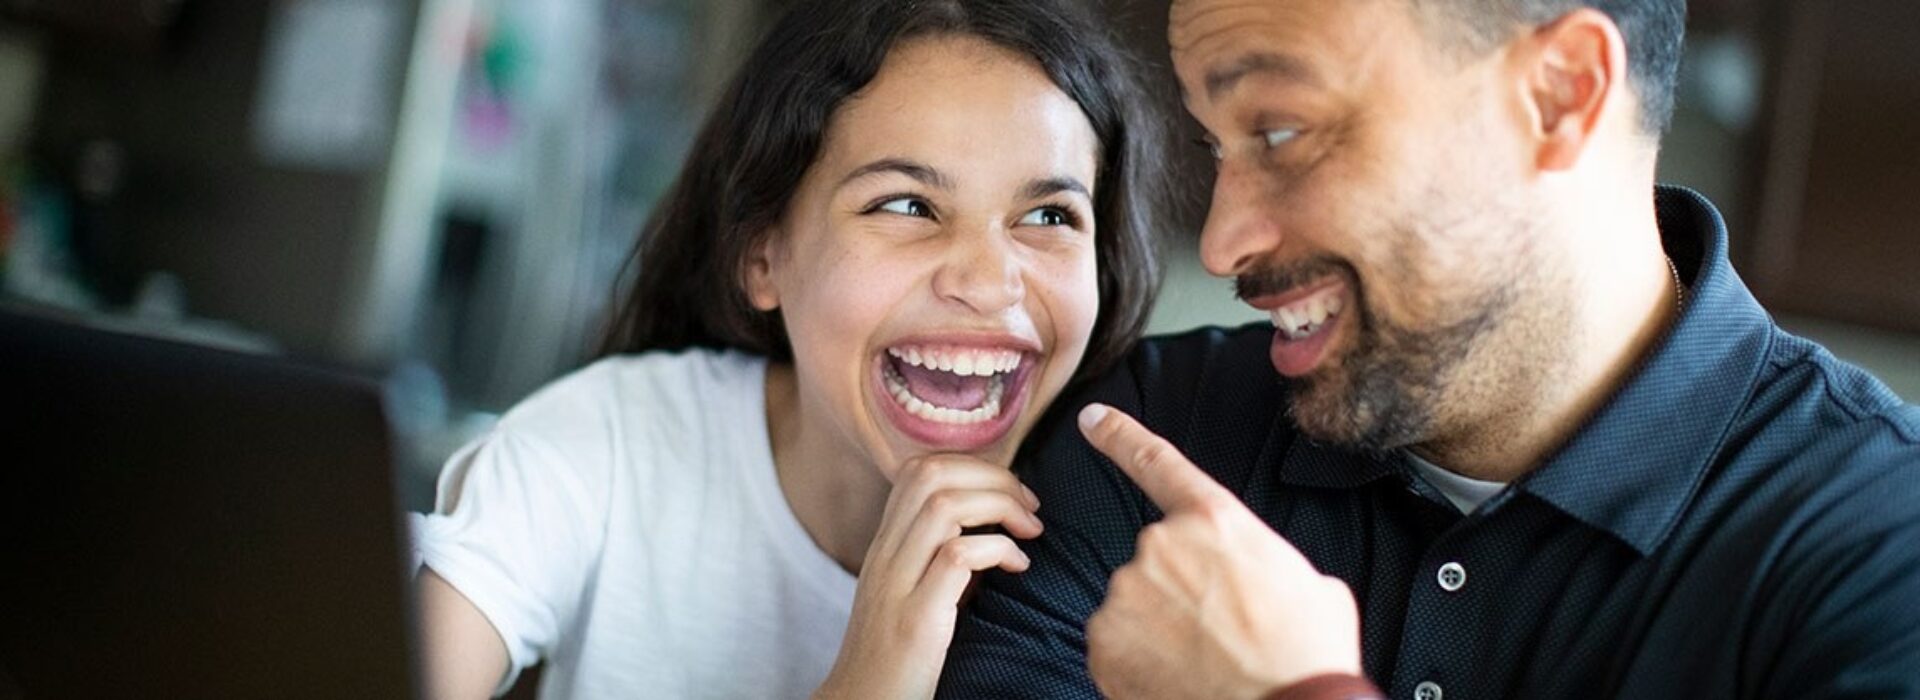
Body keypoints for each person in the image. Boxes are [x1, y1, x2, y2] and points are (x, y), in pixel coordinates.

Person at [937, 0, 1920, 698]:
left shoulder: (1881, 544)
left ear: (1559, 95)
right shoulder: (1154, 434)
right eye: (1214, 146)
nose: (1223, 241)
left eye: (1281, 132)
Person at [408, 0, 1167, 697]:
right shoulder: (603, 447)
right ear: (763, 256)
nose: (989, 281)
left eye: (1048, 216)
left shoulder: (1138, 552)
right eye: (906, 205)